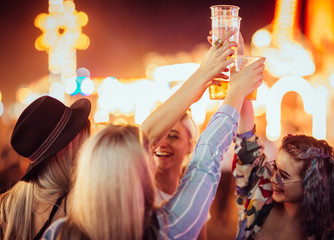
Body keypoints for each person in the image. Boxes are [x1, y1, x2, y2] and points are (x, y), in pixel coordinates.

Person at [41, 31, 265, 240]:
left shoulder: (58, 231)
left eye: (174, 136)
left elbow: (148, 135)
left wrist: (203, 76)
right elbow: (205, 159)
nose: (155, 146)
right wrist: (234, 90)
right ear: (136, 176)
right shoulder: (168, 227)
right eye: (144, 152)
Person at [232, 100, 334, 240]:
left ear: (312, 183)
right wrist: (245, 90)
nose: (274, 179)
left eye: (284, 176)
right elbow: (246, 140)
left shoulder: (328, 235)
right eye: (275, 167)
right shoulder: (260, 196)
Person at [0, 96, 91, 240]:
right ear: (66, 149)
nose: (88, 145)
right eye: (83, 137)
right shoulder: (78, 208)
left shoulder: (7, 206)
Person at [153, 110, 210, 239]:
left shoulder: (195, 193)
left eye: (173, 136)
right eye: (158, 136)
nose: (162, 144)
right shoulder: (140, 194)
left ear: (190, 145)